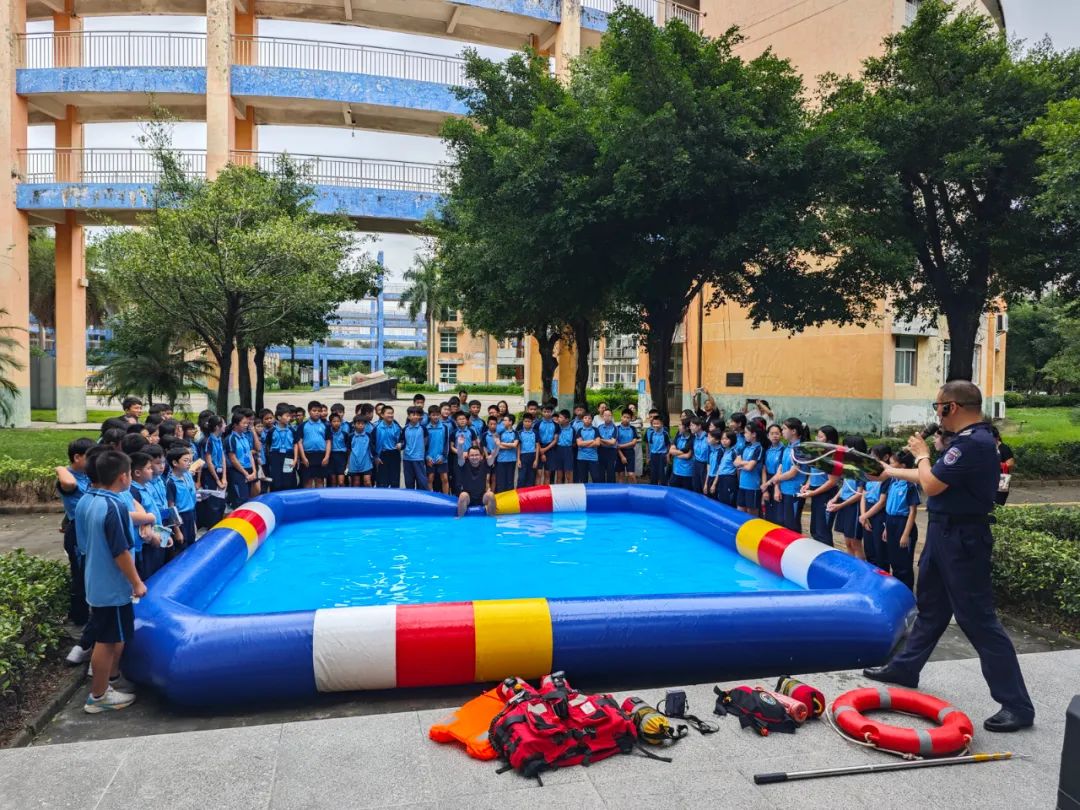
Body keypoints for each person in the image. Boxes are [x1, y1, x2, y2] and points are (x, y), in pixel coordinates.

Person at [864, 380, 1035, 733]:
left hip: (963, 539)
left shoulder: (974, 443)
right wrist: (889, 472)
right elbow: (935, 477)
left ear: (951, 407)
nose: (936, 413)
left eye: (937, 405)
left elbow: (930, 482)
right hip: (943, 534)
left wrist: (922, 452)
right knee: (932, 608)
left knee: (978, 619)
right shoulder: (964, 442)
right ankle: (905, 668)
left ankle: (1017, 705)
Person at [77, 450, 145, 714]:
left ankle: (109, 681)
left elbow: (84, 543)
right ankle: (98, 695)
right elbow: (120, 552)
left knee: (109, 635)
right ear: (123, 477)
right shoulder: (114, 506)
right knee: (106, 640)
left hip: (95, 580)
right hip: (112, 587)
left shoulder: (88, 500)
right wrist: (136, 582)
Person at [56, 438, 95, 662]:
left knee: (89, 572)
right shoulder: (69, 478)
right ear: (77, 457)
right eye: (89, 457)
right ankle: (78, 620)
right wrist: (60, 467)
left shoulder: (88, 475)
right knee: (79, 575)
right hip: (78, 531)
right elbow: (68, 484)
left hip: (90, 529)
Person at [827, 435, 868, 559]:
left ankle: (860, 568)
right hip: (844, 504)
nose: (843, 449)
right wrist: (835, 498)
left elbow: (859, 494)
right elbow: (846, 486)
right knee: (847, 542)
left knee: (855, 543)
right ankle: (851, 566)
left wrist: (840, 505)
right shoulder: (849, 466)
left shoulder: (861, 468)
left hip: (854, 507)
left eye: (846, 447)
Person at [800, 425, 841, 546]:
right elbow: (813, 472)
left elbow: (832, 482)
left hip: (826, 494)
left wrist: (813, 492)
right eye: (817, 436)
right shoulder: (818, 452)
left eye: (820, 436)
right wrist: (807, 485)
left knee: (823, 531)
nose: (817, 439)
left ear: (829, 440)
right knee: (814, 529)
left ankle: (828, 555)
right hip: (815, 492)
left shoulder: (835, 456)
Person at [859, 444, 893, 567]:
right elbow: (863, 495)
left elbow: (882, 502)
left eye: (874, 456)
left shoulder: (887, 475)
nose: (871, 458)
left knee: (880, 551)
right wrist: (863, 515)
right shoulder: (869, 473)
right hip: (867, 511)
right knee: (869, 549)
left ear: (885, 457)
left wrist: (865, 516)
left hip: (879, 515)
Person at [166, 447, 202, 549]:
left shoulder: (187, 475)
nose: (189, 463)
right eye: (185, 460)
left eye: (190, 460)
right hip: (180, 518)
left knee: (192, 543)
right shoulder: (171, 482)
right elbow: (171, 507)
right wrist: (177, 531)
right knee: (183, 546)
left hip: (191, 513)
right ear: (175, 463)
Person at [225, 411, 256, 507]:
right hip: (238, 472)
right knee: (240, 500)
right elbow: (233, 459)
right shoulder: (231, 439)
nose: (246, 425)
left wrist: (254, 471)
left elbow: (250, 454)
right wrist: (245, 473)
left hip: (249, 470)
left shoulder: (245, 437)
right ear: (235, 425)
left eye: (247, 423)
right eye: (244, 423)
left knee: (248, 499)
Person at [734, 422, 766, 515]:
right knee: (740, 510)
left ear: (754, 434)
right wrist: (747, 462)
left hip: (752, 486)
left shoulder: (759, 448)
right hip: (742, 485)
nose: (744, 434)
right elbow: (735, 463)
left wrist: (742, 464)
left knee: (751, 513)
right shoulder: (746, 447)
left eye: (746, 432)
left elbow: (749, 467)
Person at [266, 404, 299, 492]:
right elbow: (268, 445)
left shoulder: (292, 430)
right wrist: (270, 457)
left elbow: (295, 444)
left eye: (289, 416)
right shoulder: (272, 431)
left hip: (289, 455)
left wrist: (295, 459)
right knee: (276, 479)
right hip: (276, 455)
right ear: (279, 417)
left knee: (289, 479)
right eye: (287, 416)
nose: (289, 418)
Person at [455, 447, 496, 517]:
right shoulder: (463, 464)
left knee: (491, 495)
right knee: (463, 495)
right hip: (468, 497)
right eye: (472, 455)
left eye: (476, 455)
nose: (474, 457)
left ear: (481, 456)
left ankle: (491, 518)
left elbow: (493, 455)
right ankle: (460, 518)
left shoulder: (485, 464)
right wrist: (460, 445)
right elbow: (459, 455)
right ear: (468, 456)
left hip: (482, 497)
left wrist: (497, 446)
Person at [298, 401, 330, 489]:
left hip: (321, 455)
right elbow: (299, 442)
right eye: (314, 410)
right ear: (309, 411)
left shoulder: (325, 425)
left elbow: (328, 441)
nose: (317, 413)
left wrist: (327, 457)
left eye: (319, 411)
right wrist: (303, 457)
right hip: (307, 455)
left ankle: (320, 497)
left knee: (319, 480)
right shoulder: (303, 425)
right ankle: (307, 497)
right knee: (308, 480)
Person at [374, 406, 403, 488]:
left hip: (394, 454)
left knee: (395, 480)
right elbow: (372, 444)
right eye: (388, 413)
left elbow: (403, 439)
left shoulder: (397, 427)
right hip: (382, 455)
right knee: (382, 481)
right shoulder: (377, 428)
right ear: (382, 415)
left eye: (392, 413)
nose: (391, 415)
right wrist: (376, 457)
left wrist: (401, 444)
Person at [401, 407, 430, 490]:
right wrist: (400, 445)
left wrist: (422, 453)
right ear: (408, 416)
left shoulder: (423, 429)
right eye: (413, 415)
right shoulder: (405, 429)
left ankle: (421, 497)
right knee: (409, 482)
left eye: (418, 415)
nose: (416, 416)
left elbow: (426, 443)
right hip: (407, 459)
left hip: (419, 458)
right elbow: (402, 442)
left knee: (422, 482)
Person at [762, 425, 784, 523]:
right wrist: (765, 488)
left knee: (778, 514)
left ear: (781, 435)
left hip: (778, 482)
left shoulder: (783, 450)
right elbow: (764, 469)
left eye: (777, 433)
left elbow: (781, 471)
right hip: (768, 480)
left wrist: (776, 487)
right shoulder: (767, 450)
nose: (775, 436)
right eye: (772, 433)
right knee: (768, 513)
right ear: (768, 436)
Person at [426, 405, 450, 494]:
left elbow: (446, 443)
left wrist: (443, 456)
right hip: (430, 458)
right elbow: (424, 445)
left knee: (445, 479)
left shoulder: (444, 427)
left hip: (442, 458)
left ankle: (446, 498)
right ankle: (430, 498)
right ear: (429, 415)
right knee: (430, 478)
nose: (435, 417)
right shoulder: (426, 428)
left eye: (437, 415)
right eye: (433, 415)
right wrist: (427, 457)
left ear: (440, 415)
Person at [348, 411, 375, 487]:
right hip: (354, 462)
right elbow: (349, 450)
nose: (360, 425)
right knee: (356, 483)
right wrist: (348, 464)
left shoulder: (368, 435)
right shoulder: (350, 436)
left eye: (362, 424)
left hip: (366, 462)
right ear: (354, 424)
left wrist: (375, 457)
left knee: (367, 482)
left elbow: (372, 448)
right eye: (358, 423)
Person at [535, 404, 560, 487]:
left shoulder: (556, 425)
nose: (546, 413)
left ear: (552, 412)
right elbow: (536, 439)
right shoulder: (537, 424)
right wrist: (541, 451)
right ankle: (537, 492)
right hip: (539, 447)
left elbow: (555, 440)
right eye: (544, 411)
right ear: (541, 412)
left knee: (547, 473)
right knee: (538, 473)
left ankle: (546, 492)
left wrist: (545, 450)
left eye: (548, 411)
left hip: (550, 449)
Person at [494, 414, 519, 493]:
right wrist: (510, 445)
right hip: (501, 459)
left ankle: (510, 498)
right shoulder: (499, 432)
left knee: (510, 481)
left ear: (510, 422)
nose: (503, 422)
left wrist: (502, 443)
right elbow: (498, 445)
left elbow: (515, 445)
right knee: (501, 481)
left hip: (512, 459)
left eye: (505, 420)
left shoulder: (515, 433)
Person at [667, 419, 694, 490]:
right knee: (673, 491)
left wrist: (675, 453)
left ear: (687, 428)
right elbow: (671, 450)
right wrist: (682, 452)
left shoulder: (692, 439)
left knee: (686, 493)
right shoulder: (678, 437)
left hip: (687, 472)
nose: (679, 427)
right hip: (675, 471)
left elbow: (687, 456)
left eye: (681, 425)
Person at [574, 413, 601, 484]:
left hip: (593, 458)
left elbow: (597, 443)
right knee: (583, 479)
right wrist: (592, 441)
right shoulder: (580, 430)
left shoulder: (596, 430)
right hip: (581, 457)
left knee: (596, 478)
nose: (587, 420)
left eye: (589, 418)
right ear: (582, 420)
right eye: (585, 418)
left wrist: (584, 444)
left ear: (592, 420)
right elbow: (579, 444)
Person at [991, 426, 1014, 506]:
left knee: (998, 503)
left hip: (1001, 480)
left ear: (997, 437)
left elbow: (1010, 464)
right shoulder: (985, 448)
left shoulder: (1004, 448)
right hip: (987, 481)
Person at [714, 430, 739, 507]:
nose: (724, 441)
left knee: (728, 502)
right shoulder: (724, 451)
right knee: (721, 500)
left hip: (729, 479)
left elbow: (738, 468)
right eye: (722, 439)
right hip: (722, 478)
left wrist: (738, 482)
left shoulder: (734, 452)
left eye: (726, 439)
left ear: (732, 440)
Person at [645, 415, 670, 486]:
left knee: (662, 473)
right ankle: (653, 487)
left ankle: (663, 487)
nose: (655, 425)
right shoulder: (652, 433)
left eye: (657, 423)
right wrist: (648, 456)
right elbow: (650, 445)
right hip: (653, 455)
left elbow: (668, 445)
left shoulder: (665, 434)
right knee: (653, 472)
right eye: (654, 424)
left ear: (662, 424)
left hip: (662, 455)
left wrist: (668, 455)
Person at [595, 410, 618, 484]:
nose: (607, 417)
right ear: (603, 417)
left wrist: (601, 440)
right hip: (601, 451)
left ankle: (611, 489)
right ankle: (601, 489)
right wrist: (607, 442)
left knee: (611, 472)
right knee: (600, 472)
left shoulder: (615, 428)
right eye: (605, 415)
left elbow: (613, 442)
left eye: (609, 415)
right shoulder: (599, 427)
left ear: (612, 416)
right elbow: (598, 441)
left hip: (611, 452)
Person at [615, 411, 638, 484]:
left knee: (631, 474)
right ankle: (620, 490)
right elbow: (615, 444)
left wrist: (621, 445)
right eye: (624, 417)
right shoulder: (617, 428)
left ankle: (635, 489)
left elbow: (634, 443)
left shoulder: (633, 428)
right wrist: (622, 456)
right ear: (621, 417)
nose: (626, 419)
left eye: (628, 417)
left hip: (630, 452)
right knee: (620, 475)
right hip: (619, 452)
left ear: (631, 419)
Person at [517, 413, 539, 488]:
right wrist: (518, 459)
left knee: (531, 477)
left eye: (529, 421)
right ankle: (520, 493)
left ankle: (529, 494)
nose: (527, 423)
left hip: (532, 456)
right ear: (523, 422)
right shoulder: (520, 433)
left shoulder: (535, 432)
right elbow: (518, 446)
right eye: (525, 421)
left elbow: (537, 446)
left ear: (532, 422)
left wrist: (536, 460)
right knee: (521, 478)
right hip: (523, 456)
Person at [553, 410, 576, 484]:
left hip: (568, 451)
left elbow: (574, 443)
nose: (558, 419)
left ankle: (570, 490)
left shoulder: (572, 429)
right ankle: (558, 490)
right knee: (559, 475)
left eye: (560, 417)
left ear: (567, 419)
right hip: (558, 450)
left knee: (569, 475)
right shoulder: (557, 428)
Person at [327, 412, 349, 487]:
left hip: (341, 457)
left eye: (338, 421)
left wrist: (348, 463)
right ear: (330, 423)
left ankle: (343, 493)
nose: (336, 423)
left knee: (341, 481)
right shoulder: (328, 433)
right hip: (331, 456)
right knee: (333, 481)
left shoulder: (344, 434)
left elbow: (348, 449)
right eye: (334, 421)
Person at [689, 417, 710, 493]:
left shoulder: (708, 438)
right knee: (695, 486)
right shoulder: (695, 437)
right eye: (690, 425)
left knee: (704, 488)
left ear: (699, 426)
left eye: (692, 425)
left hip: (705, 465)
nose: (690, 427)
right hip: (696, 463)